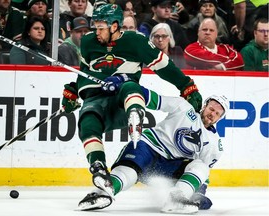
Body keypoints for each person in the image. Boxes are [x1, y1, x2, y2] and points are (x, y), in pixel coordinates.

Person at [61, 3, 202, 200]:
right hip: (99, 100)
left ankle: (136, 115)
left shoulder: (136, 42)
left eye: (101, 28)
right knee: (87, 119)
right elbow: (85, 74)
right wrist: (74, 91)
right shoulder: (88, 42)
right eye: (96, 27)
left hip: (124, 101)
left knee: (130, 86)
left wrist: (186, 85)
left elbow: (163, 66)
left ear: (115, 26)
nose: (97, 32)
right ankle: (99, 168)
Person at [77, 86, 229, 214]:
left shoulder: (214, 144)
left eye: (217, 113)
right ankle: (103, 193)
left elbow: (203, 174)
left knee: (201, 166)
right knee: (128, 173)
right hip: (148, 147)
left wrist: (198, 194)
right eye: (211, 108)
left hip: (168, 168)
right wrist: (128, 89)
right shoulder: (183, 107)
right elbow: (151, 98)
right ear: (205, 106)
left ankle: (177, 198)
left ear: (220, 118)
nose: (212, 114)